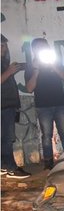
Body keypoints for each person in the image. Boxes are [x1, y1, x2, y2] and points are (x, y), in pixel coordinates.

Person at [25, 37, 64, 170]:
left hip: (60, 104)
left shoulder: (55, 62)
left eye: (44, 47)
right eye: (39, 47)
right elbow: (29, 88)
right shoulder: (31, 67)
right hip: (43, 106)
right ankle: (48, 164)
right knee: (46, 136)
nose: (42, 49)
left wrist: (53, 66)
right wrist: (36, 71)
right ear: (34, 50)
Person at [1, 35, 31, 179]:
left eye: (5, 46)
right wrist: (9, 72)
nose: (5, 49)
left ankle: (3, 166)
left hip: (8, 105)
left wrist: (23, 65)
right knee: (7, 138)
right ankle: (11, 168)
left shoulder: (4, 62)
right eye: (1, 46)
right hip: (3, 106)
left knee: (6, 138)